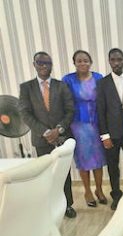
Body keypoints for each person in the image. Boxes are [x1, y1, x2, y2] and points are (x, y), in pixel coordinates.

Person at [19, 51, 76, 218]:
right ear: (34, 65)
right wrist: (45, 132)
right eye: (40, 63)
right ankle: (51, 205)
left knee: (64, 174)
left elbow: (70, 110)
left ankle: (67, 205)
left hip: (61, 137)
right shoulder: (26, 88)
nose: (44, 66)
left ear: (52, 65)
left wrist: (58, 129)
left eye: (47, 63)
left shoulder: (61, 85)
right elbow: (25, 114)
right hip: (41, 139)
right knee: (47, 174)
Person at [62, 50, 107, 208]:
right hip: (77, 125)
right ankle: (87, 191)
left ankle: (99, 190)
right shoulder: (68, 80)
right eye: (79, 61)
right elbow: (64, 103)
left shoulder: (98, 78)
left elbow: (103, 100)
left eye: (86, 60)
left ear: (90, 62)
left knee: (99, 159)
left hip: (97, 124)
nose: (83, 63)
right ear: (74, 63)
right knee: (84, 160)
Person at [97, 48, 123, 210]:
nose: (116, 63)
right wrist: (104, 135)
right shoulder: (102, 83)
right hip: (111, 134)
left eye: (119, 59)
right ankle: (116, 194)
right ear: (109, 61)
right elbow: (100, 111)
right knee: (113, 166)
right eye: (113, 60)